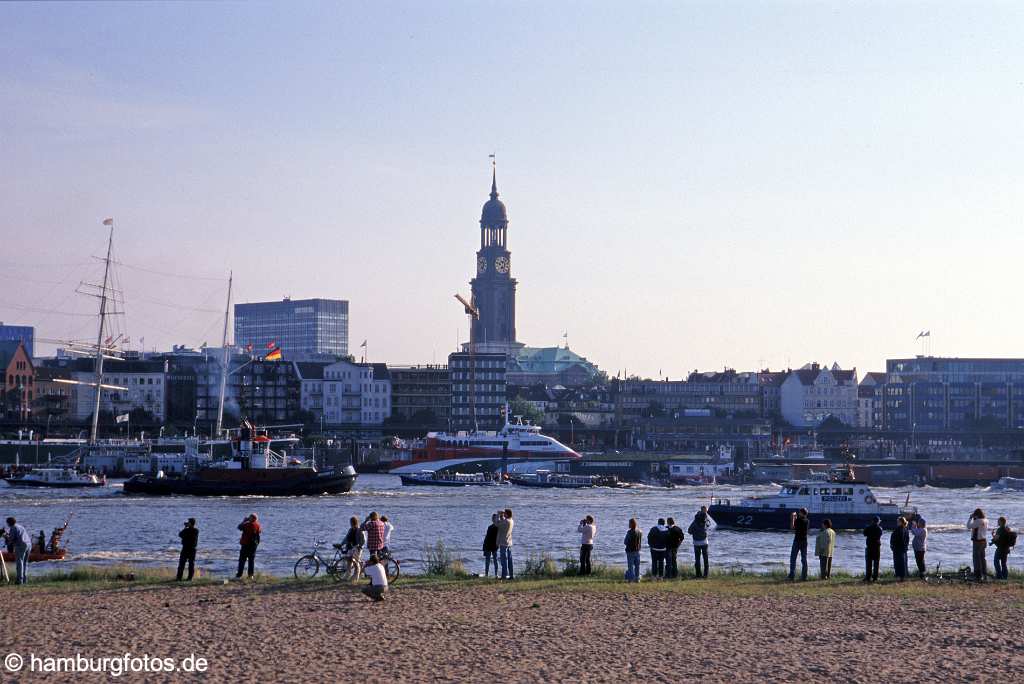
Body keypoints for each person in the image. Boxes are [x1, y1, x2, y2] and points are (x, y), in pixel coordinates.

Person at [687, 506, 716, 578]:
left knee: (697, 559)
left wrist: (694, 532)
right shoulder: (705, 522)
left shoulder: (694, 523)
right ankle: (705, 575)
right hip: (704, 542)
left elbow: (689, 531)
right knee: (706, 559)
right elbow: (709, 525)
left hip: (696, 542)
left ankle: (698, 574)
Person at [5, 517, 31, 585]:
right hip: (28, 544)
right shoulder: (20, 526)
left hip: (20, 545)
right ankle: (25, 580)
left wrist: (6, 537)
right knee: (25, 563)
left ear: (9, 523)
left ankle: (19, 581)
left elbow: (11, 539)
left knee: (20, 563)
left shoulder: (13, 528)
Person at [235, 513, 261, 580]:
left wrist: (244, 521)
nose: (248, 517)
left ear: (252, 518)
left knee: (242, 560)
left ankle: (239, 575)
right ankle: (251, 575)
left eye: (250, 517)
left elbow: (239, 527)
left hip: (246, 545)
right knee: (251, 560)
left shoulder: (247, 524)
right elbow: (259, 532)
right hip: (253, 546)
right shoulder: (257, 525)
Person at [967, 508, 989, 580]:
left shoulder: (978, 521)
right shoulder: (986, 520)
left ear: (976, 514)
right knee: (982, 558)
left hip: (977, 541)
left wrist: (970, 518)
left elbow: (968, 526)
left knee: (976, 558)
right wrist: (975, 519)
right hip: (984, 540)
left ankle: (978, 574)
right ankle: (984, 573)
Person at [991, 516, 1015, 581]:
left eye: (998, 521)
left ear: (1001, 522)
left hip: (1000, 549)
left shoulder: (1000, 529)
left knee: (996, 561)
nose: (997, 522)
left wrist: (992, 535)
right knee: (1004, 563)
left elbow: (996, 539)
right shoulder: (1007, 529)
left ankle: (999, 576)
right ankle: (1005, 577)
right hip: (1006, 549)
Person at [788, 508, 809, 581]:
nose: (798, 513)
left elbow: (792, 527)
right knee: (804, 559)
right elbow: (799, 524)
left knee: (793, 558)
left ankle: (791, 575)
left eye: (799, 512)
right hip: (804, 541)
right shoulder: (807, 521)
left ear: (802, 513)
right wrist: (796, 518)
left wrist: (792, 518)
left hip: (797, 541)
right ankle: (804, 576)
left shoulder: (798, 520)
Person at [863, 516, 883, 582]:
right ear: (878, 521)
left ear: (872, 521)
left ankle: (868, 577)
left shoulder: (868, 527)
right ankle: (875, 577)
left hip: (869, 547)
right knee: (876, 563)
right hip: (877, 547)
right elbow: (880, 535)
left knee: (868, 562)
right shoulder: (880, 528)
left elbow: (864, 534)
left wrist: (867, 527)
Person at [890, 516, 910, 581]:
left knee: (898, 563)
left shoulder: (898, 530)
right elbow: (907, 539)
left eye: (898, 521)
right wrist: (906, 546)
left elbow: (894, 539)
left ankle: (899, 576)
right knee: (903, 563)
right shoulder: (906, 529)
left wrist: (892, 546)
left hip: (897, 548)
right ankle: (903, 576)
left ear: (901, 522)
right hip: (903, 548)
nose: (897, 522)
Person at [623, 518, 643, 582]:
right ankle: (637, 579)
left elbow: (625, 542)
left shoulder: (629, 532)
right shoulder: (640, 531)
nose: (628, 524)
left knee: (630, 566)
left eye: (629, 523)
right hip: (637, 550)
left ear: (631, 524)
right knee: (637, 565)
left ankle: (630, 579)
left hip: (630, 551)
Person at [497, 509, 514, 580]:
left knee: (503, 560)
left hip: (503, 543)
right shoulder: (511, 520)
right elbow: (503, 522)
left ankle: (504, 576)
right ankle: (511, 575)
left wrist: (498, 515)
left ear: (507, 514)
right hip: (509, 543)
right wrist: (502, 516)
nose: (503, 514)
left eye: (505, 513)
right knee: (509, 560)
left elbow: (497, 524)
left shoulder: (506, 521)